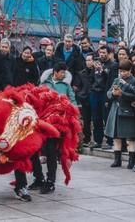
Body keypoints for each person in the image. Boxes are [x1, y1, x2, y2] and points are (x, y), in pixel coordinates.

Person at [28, 62, 76, 194]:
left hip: (57, 125)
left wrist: (72, 113)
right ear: (55, 71)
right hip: (40, 123)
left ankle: (50, 181)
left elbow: (73, 101)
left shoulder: (66, 86)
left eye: (65, 73)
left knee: (51, 152)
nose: (64, 75)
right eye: (62, 72)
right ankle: (38, 178)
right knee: (33, 151)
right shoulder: (44, 84)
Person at [105, 60, 135, 169]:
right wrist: (113, 94)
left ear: (130, 70)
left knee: (130, 138)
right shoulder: (116, 80)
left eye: (124, 71)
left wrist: (122, 94)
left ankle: (131, 160)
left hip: (128, 111)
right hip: (115, 110)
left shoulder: (134, 81)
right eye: (121, 71)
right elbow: (108, 93)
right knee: (116, 137)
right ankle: (117, 160)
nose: (122, 73)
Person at [74, 54, 95, 146]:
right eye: (87, 60)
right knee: (86, 120)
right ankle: (87, 139)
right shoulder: (81, 73)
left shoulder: (97, 72)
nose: (88, 62)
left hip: (95, 97)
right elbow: (77, 86)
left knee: (96, 119)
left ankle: (97, 139)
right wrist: (81, 94)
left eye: (90, 60)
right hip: (84, 98)